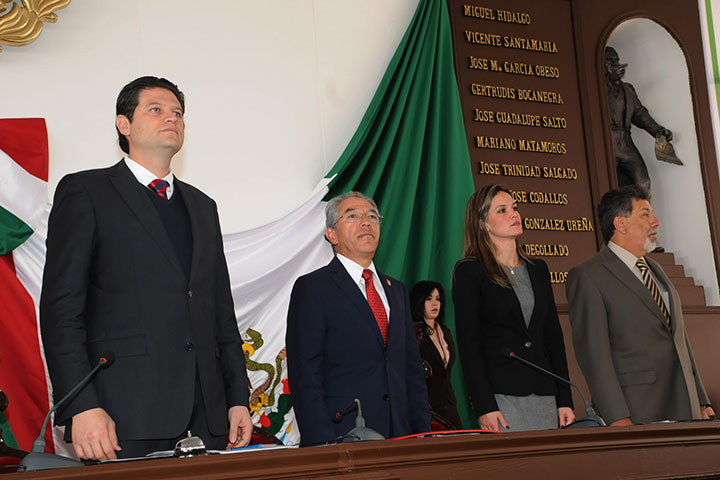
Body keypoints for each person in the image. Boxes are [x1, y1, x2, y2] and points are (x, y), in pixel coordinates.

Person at [40, 76, 252, 460]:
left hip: (207, 417)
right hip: (121, 415)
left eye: (178, 113)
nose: (171, 118)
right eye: (156, 109)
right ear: (124, 124)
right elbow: (61, 311)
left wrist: (237, 397)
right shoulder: (86, 192)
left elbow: (221, 312)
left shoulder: (203, 207)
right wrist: (81, 405)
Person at [286, 191, 430, 445]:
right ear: (332, 234)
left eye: (372, 216)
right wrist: (323, 444)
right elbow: (305, 374)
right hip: (343, 434)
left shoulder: (396, 290)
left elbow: (411, 368)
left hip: (402, 435)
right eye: (352, 216)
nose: (366, 222)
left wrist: (423, 432)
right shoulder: (313, 288)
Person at [567, 185, 715, 425]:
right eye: (645, 215)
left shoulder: (655, 269)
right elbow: (594, 357)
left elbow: (679, 339)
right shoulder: (588, 276)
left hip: (684, 407)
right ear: (620, 224)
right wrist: (617, 417)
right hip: (637, 411)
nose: (655, 222)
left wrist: (700, 399)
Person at [452, 184, 575, 432]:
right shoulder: (470, 271)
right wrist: (484, 406)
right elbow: (469, 346)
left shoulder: (538, 269)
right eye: (502, 210)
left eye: (515, 208)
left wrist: (565, 399)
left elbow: (553, 339)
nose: (514, 214)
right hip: (501, 398)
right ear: (483, 224)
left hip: (545, 394)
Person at [605, 46, 673, 191]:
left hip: (625, 142)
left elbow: (640, 114)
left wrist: (658, 131)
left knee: (643, 183)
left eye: (617, 61)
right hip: (605, 141)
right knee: (606, 183)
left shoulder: (628, 89)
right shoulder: (595, 87)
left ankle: (641, 206)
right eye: (611, 62)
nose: (617, 65)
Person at [409, 281, 462, 430]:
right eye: (429, 299)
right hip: (425, 408)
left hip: (449, 407)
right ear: (419, 301)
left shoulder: (445, 332)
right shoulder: (413, 333)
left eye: (438, 299)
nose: (435, 303)